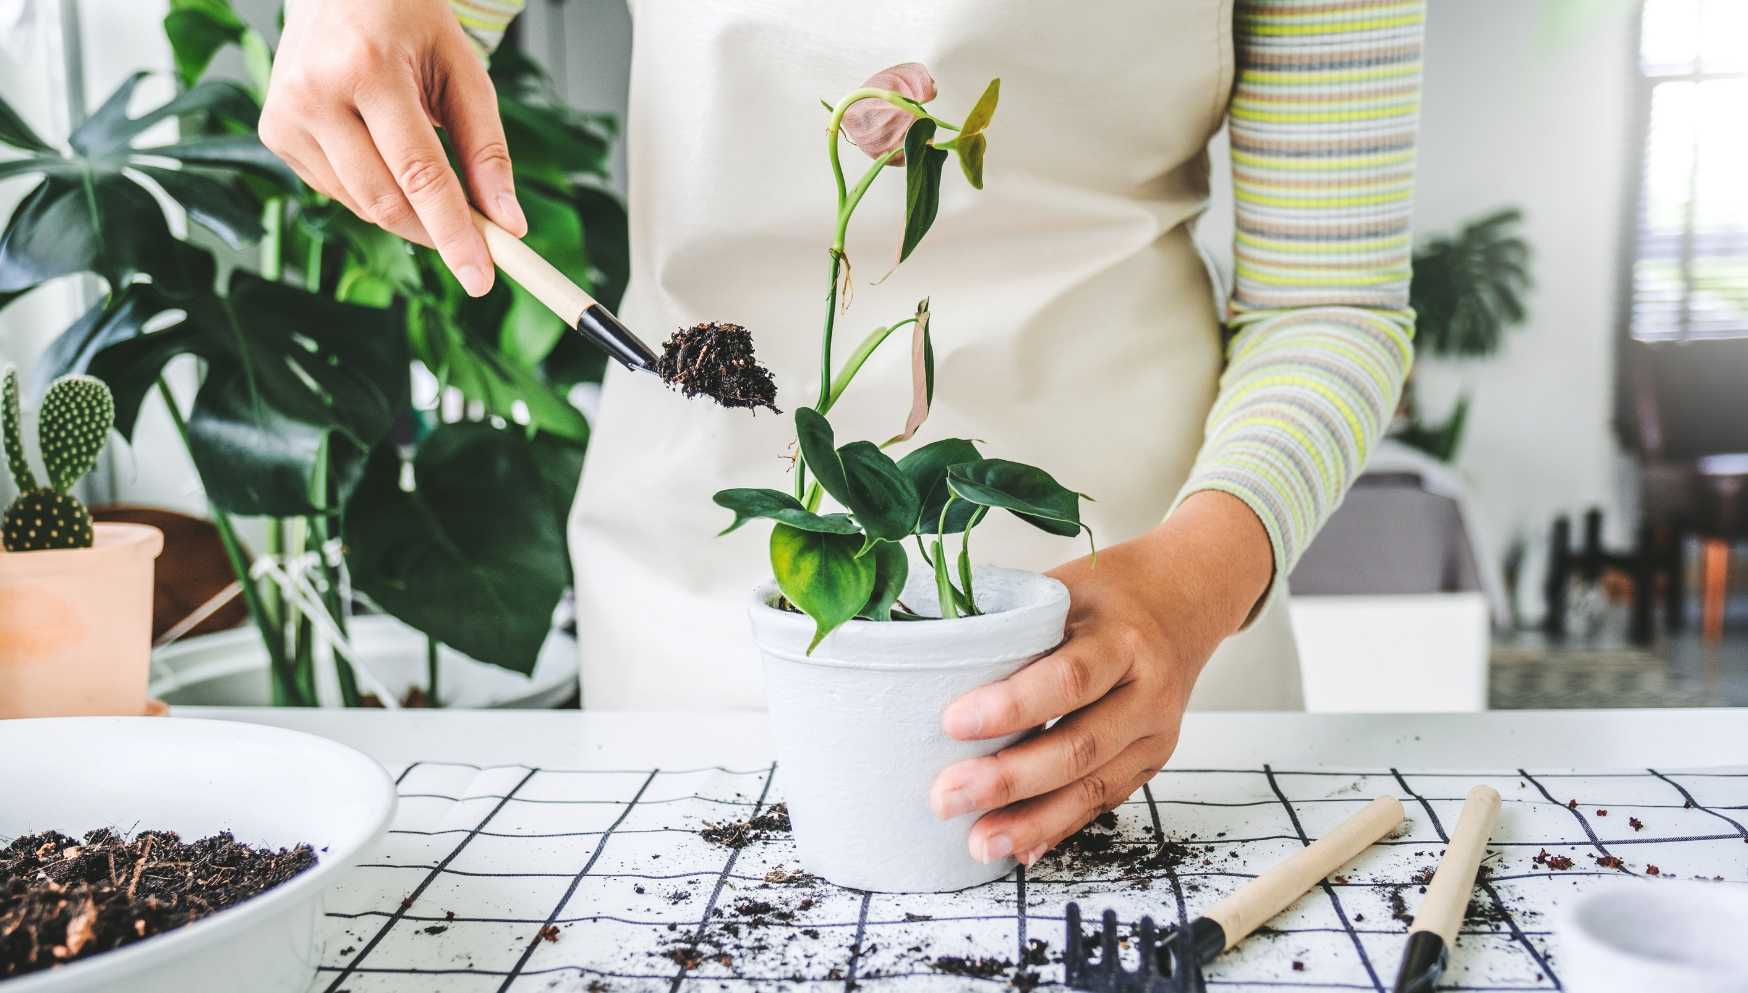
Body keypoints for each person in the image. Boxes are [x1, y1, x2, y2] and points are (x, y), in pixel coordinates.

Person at [262, 0, 1421, 866]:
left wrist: (1195, 580)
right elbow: (405, 39)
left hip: (1146, 639)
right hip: (704, 620)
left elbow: (1329, 301)